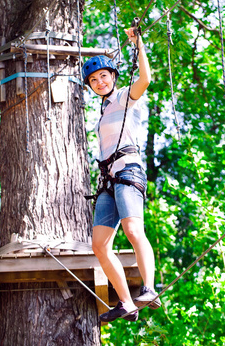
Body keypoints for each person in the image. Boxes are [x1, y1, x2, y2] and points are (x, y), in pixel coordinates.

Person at [82, 26, 160, 322]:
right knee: (100, 246)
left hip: (128, 171)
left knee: (132, 230)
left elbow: (146, 79)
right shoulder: (103, 112)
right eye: (93, 80)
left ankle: (150, 289)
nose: (99, 82)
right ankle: (126, 302)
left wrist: (138, 43)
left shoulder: (127, 96)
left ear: (113, 77)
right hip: (107, 181)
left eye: (103, 76)